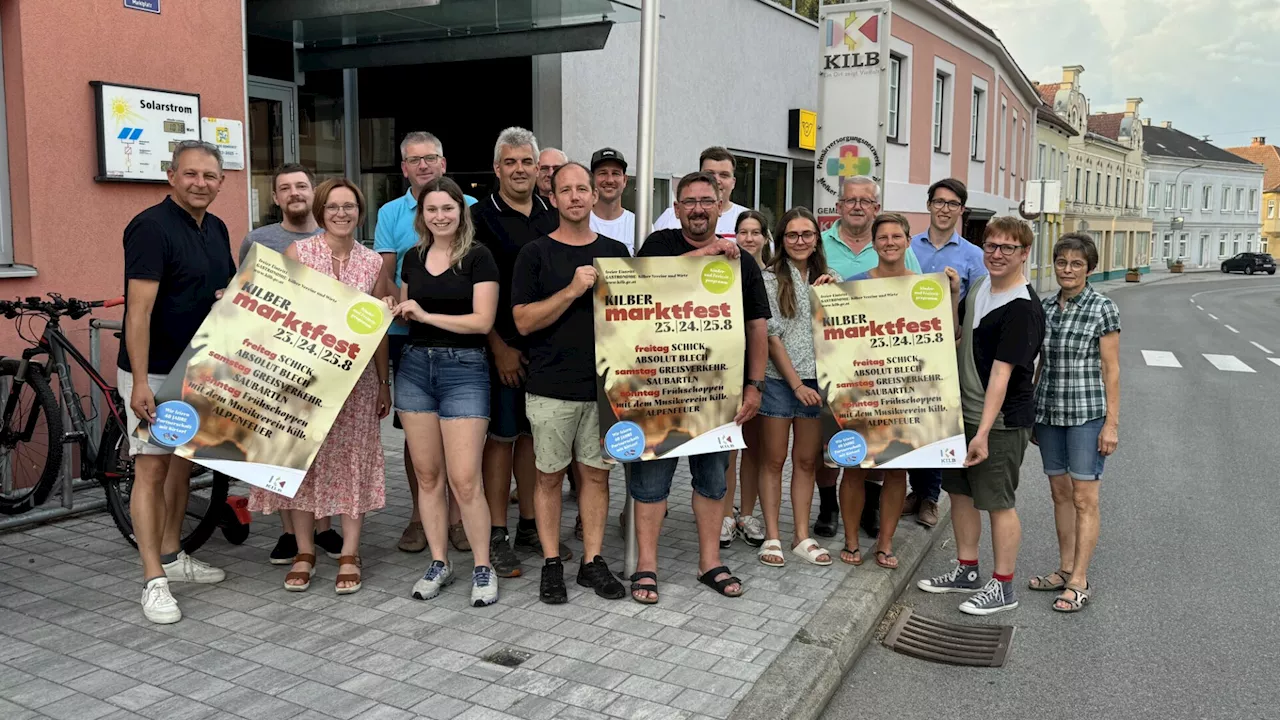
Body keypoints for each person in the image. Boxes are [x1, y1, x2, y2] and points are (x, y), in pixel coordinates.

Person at [628, 171, 770, 604]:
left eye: (706, 201)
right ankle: (646, 565)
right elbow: (644, 287)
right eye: (688, 201)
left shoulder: (741, 261)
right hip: (658, 390)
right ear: (676, 209)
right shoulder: (659, 246)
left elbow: (757, 326)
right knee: (650, 482)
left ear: (719, 204)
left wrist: (755, 386)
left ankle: (710, 562)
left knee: (712, 480)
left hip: (716, 391)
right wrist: (710, 252)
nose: (697, 209)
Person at [248, 179, 390, 596]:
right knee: (301, 462)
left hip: (357, 384)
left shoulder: (372, 263)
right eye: (333, 206)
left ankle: (349, 552)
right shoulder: (298, 253)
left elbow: (379, 330)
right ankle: (304, 551)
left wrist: (383, 383)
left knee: (352, 463)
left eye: (350, 206)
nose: (341, 213)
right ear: (321, 210)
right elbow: (275, 315)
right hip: (300, 381)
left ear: (360, 211)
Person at [119, 140, 233, 624]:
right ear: (171, 176)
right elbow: (138, 311)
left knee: (183, 465)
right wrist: (141, 381)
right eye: (190, 174)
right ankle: (153, 580)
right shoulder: (150, 227)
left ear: (220, 182)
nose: (200, 183)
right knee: (151, 469)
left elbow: (216, 290)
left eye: (209, 176)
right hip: (158, 370)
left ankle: (172, 555)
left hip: (199, 368)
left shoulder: (217, 227)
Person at [512, 162, 631, 604]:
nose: (577, 197)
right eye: (567, 190)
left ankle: (592, 562)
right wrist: (571, 291)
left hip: (604, 387)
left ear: (594, 196)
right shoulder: (535, 253)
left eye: (584, 189)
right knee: (547, 478)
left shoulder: (617, 250)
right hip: (550, 386)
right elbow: (522, 322)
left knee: (596, 477)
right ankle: (550, 563)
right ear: (554, 198)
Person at [381, 177, 502, 608]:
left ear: (460, 211)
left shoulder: (479, 257)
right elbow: (410, 314)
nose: (440, 216)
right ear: (421, 216)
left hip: (465, 371)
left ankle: (483, 566)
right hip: (414, 368)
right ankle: (439, 562)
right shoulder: (413, 258)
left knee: (465, 479)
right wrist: (394, 308)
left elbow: (482, 322)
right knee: (428, 476)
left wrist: (425, 314)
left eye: (447, 208)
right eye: (431, 210)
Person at [917, 216, 1045, 616]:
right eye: (991, 245)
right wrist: (955, 293)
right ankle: (967, 570)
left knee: (998, 501)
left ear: (1025, 254)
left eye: (1009, 248)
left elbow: (1002, 376)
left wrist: (983, 432)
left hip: (1000, 421)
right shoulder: (981, 287)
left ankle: (1003, 586)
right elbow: (958, 336)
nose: (998, 254)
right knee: (960, 493)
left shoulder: (1022, 308)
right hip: (963, 413)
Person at [375, 131, 477, 555]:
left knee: (460, 436)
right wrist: (399, 306)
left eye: (430, 158)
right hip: (407, 337)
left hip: (461, 337)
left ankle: (457, 520)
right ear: (403, 168)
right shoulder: (389, 212)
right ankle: (420, 516)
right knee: (416, 438)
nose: (423, 165)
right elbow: (385, 274)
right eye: (414, 160)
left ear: (443, 162)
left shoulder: (469, 208)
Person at [237, 163, 344, 563]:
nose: (295, 193)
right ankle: (287, 531)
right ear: (276, 197)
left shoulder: (332, 235)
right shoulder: (257, 239)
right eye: (286, 188)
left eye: (301, 186)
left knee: (321, 447)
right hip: (276, 360)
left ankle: (325, 528)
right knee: (282, 447)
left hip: (323, 361)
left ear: (313, 192)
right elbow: (246, 294)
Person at [841, 214, 960, 569]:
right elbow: (838, 340)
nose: (890, 242)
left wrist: (952, 296)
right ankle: (850, 541)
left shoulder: (927, 287)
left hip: (909, 392)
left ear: (908, 242)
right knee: (855, 468)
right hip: (864, 391)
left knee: (896, 472)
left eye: (897, 236)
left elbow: (947, 335)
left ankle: (885, 543)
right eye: (883, 237)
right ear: (874, 244)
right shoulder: (853, 285)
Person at [473, 127, 566, 577]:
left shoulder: (552, 213)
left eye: (527, 162)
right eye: (510, 162)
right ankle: (497, 531)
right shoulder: (480, 217)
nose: (519, 170)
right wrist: (499, 347)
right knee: (502, 439)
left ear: (537, 167)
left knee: (534, 439)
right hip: (503, 348)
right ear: (497, 169)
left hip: (546, 352)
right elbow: (472, 289)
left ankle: (529, 523)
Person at [813, 177, 923, 540]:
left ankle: (871, 509)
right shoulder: (822, 241)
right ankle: (829, 506)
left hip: (890, 366)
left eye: (865, 201)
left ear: (876, 208)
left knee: (881, 443)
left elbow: (919, 303)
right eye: (850, 200)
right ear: (839, 206)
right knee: (834, 444)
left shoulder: (902, 250)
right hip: (841, 363)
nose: (857, 206)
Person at [1028, 234, 1120, 613]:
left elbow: (1111, 369)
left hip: (1086, 414)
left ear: (1090, 269)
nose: (1068, 269)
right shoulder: (1046, 306)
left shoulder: (1103, 308)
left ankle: (1080, 579)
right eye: (1062, 262)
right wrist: (1032, 411)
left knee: (1084, 498)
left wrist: (1111, 424)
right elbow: (1041, 364)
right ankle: (1064, 568)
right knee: (1060, 494)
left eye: (1076, 264)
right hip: (1050, 412)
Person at [756, 207, 839, 568]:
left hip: (817, 382)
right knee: (773, 460)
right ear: (781, 239)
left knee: (806, 461)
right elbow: (772, 338)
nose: (800, 241)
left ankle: (801, 535)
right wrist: (795, 385)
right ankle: (772, 536)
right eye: (792, 235)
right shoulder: (770, 278)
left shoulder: (829, 278)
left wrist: (836, 298)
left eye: (807, 234)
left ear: (816, 239)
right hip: (779, 381)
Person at [905, 178, 987, 529]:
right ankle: (915, 487)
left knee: (938, 422)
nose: (944, 209)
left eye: (952, 204)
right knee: (910, 419)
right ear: (928, 205)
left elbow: (982, 305)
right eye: (938, 202)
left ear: (961, 210)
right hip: (907, 350)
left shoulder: (973, 255)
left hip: (949, 350)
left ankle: (930, 496)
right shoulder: (909, 247)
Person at [720, 210, 772, 550]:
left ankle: (748, 512)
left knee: (753, 445)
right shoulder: (721, 270)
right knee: (728, 447)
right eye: (743, 231)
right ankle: (725, 513)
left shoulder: (777, 275)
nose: (749, 237)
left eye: (756, 232)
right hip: (726, 370)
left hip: (762, 372)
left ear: (766, 238)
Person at [653, 147, 748, 239]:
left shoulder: (748, 219)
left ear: (733, 182)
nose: (716, 180)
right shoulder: (670, 216)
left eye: (724, 175)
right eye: (709, 174)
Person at [588, 148, 636, 255]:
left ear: (624, 180)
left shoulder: (638, 226)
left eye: (615, 173)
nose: (609, 180)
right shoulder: (581, 222)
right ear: (591, 179)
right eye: (602, 173)